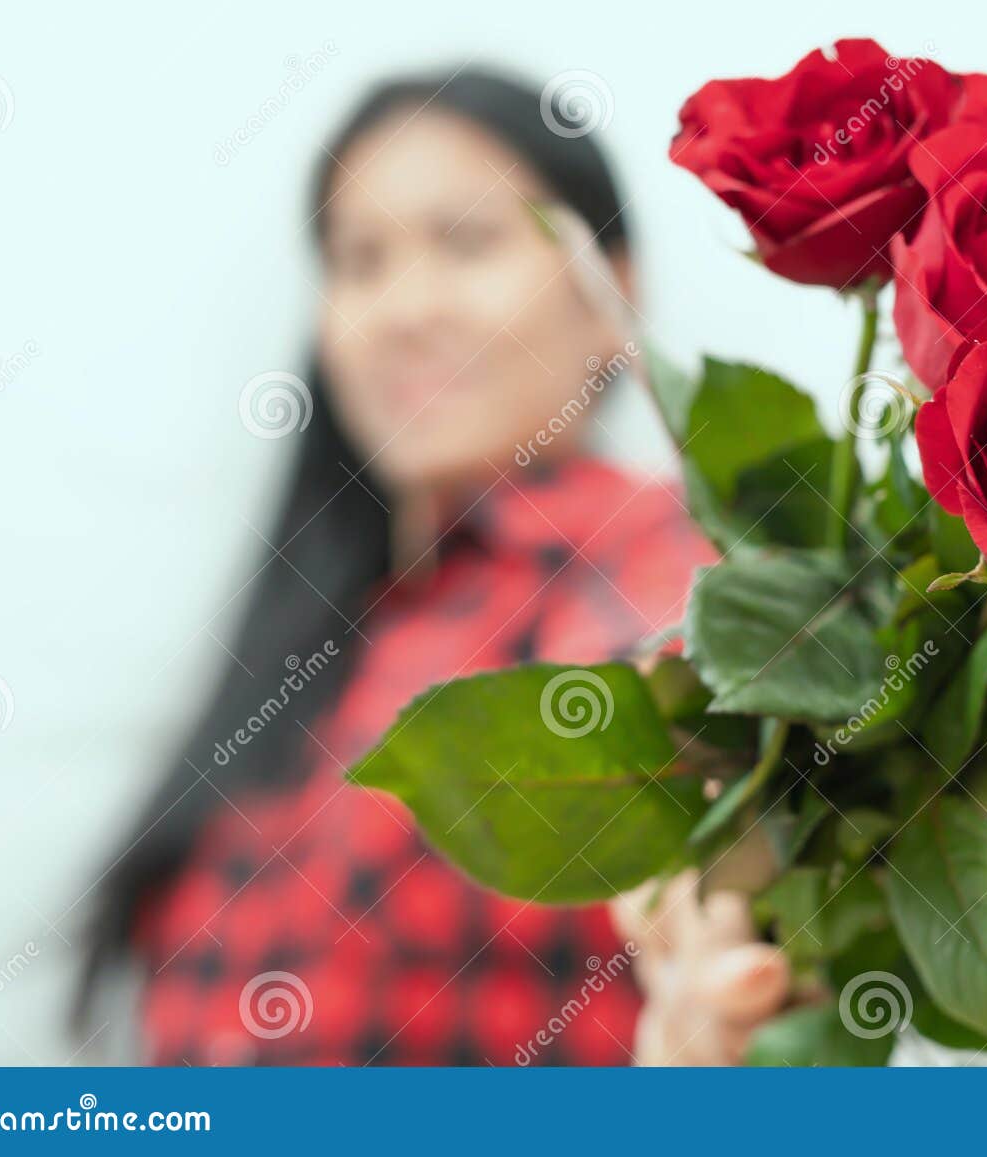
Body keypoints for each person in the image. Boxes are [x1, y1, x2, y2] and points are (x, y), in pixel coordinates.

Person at [77, 68, 791, 1066]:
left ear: (610, 294)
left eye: (467, 242)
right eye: (359, 260)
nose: (403, 306)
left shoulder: (689, 585)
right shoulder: (324, 623)